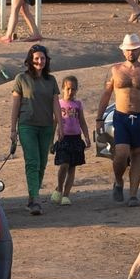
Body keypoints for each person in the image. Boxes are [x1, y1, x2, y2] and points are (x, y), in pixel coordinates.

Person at [97, 34, 140, 205]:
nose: (131, 53)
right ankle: (118, 181)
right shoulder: (115, 70)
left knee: (137, 154)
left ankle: (133, 194)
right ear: (123, 51)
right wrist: (99, 118)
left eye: (134, 49)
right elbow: (106, 94)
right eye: (128, 50)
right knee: (121, 153)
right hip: (121, 117)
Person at [7, 45, 58, 216]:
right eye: (36, 58)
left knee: (42, 163)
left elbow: (56, 104)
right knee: (32, 161)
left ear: (46, 60)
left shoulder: (51, 80)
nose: (39, 61)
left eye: (42, 58)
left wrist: (61, 126)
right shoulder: (21, 78)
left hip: (46, 126)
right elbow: (15, 104)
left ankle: (32, 196)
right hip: (27, 125)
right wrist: (13, 129)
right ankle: (35, 199)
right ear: (30, 60)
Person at [51, 76, 88, 206]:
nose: (70, 92)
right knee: (64, 165)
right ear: (62, 89)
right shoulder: (58, 104)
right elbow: (54, 123)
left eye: (73, 89)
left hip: (76, 139)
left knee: (72, 167)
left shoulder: (78, 104)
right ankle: (59, 188)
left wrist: (87, 137)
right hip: (63, 139)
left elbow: (82, 122)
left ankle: (66, 195)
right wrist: (50, 142)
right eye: (68, 89)